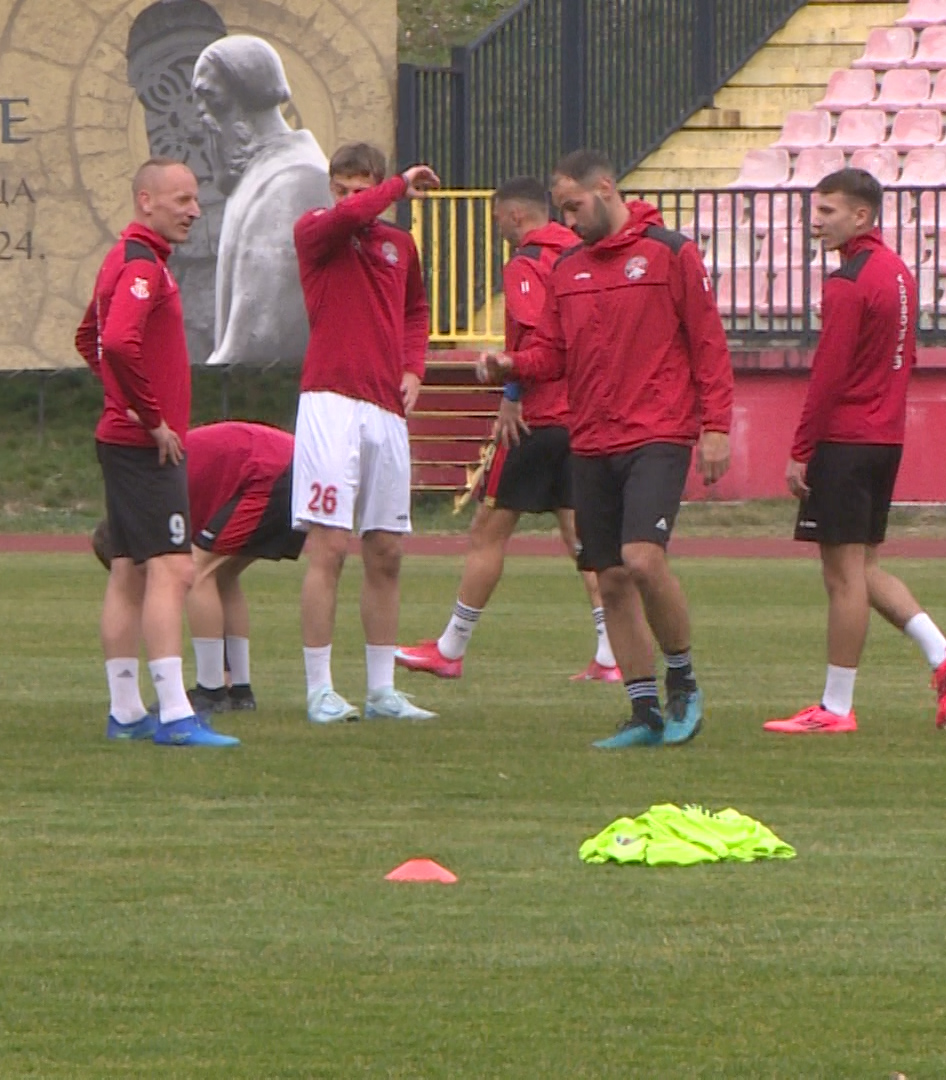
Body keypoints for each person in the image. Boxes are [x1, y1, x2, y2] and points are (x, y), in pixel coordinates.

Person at [491, 149, 734, 749]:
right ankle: (643, 711)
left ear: (605, 188)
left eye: (575, 207)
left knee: (643, 559)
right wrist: (512, 365)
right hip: (591, 437)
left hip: (658, 432)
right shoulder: (568, 268)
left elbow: (708, 342)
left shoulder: (671, 253)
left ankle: (683, 682)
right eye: (562, 210)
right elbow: (552, 354)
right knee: (611, 577)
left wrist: (717, 426)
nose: (569, 222)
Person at [763, 168, 946, 735]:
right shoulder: (898, 272)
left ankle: (836, 707)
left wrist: (801, 448)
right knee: (865, 567)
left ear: (861, 215)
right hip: (885, 437)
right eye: (816, 209)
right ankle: (943, 654)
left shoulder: (849, 281)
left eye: (828, 211)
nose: (816, 221)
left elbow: (828, 373)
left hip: (846, 439)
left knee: (842, 578)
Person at [395, 176, 619, 683]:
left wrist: (511, 389)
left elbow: (540, 336)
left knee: (487, 532)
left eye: (497, 217)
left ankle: (450, 648)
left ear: (515, 216)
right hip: (585, 417)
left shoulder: (527, 262)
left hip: (538, 419)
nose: (497, 226)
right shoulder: (581, 254)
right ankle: (611, 654)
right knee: (582, 536)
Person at [75, 158, 238, 748]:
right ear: (146, 200)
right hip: (143, 447)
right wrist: (150, 417)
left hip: (123, 440)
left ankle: (125, 712)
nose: (194, 210)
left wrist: (123, 403)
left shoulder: (124, 257)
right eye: (182, 200)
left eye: (195, 199)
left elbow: (88, 338)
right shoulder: (142, 264)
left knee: (129, 571)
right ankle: (174, 714)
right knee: (174, 569)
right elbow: (116, 342)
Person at [291, 144, 438, 724]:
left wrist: (413, 368)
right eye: (341, 189)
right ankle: (319, 689)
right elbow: (352, 218)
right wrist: (396, 186)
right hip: (330, 402)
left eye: (361, 188)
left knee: (387, 551)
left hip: (385, 410)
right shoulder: (316, 231)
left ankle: (381, 691)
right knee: (329, 546)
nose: (350, 200)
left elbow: (415, 312)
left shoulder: (399, 245)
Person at [91, 420, 303, 713]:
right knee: (222, 576)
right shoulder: (154, 501)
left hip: (269, 472)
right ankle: (238, 688)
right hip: (290, 467)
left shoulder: (149, 503)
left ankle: (211, 690)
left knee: (197, 571)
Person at [190, 34, 332, 366]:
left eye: (208, 104)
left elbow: (263, 338)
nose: (200, 131)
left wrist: (199, 391)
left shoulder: (294, 182)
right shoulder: (257, 173)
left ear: (227, 106)